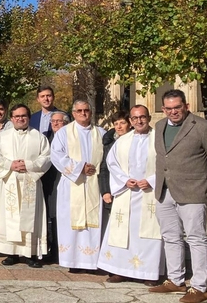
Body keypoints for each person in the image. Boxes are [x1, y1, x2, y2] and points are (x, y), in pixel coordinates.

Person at [149, 89, 207, 303]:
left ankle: (200, 287)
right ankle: (176, 280)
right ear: (163, 109)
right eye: (169, 108)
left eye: (177, 107)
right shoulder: (159, 126)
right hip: (165, 190)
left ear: (186, 106)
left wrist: (201, 181)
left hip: (194, 191)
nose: (173, 112)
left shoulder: (202, 127)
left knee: (196, 238)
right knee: (170, 236)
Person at [97, 105, 163, 284]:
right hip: (127, 192)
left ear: (149, 118)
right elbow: (112, 163)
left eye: (142, 117)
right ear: (131, 121)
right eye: (135, 118)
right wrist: (125, 180)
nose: (139, 121)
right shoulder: (122, 141)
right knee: (123, 232)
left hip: (149, 193)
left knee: (148, 233)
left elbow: (167, 164)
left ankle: (147, 272)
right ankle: (120, 270)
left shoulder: (159, 139)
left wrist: (152, 180)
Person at [0, 104, 52, 267]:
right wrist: (10, 165)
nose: (20, 119)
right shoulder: (3, 137)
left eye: (23, 116)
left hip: (31, 181)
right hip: (10, 181)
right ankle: (11, 253)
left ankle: (30, 254)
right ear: (12, 118)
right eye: (17, 116)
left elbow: (46, 157)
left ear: (28, 117)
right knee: (10, 218)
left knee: (30, 218)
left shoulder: (38, 137)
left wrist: (28, 165)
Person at [50, 100, 106, 272]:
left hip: (94, 184)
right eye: (79, 111)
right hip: (72, 183)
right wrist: (80, 167)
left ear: (91, 112)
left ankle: (92, 262)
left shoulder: (101, 133)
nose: (83, 113)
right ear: (73, 113)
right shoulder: (64, 133)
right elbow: (56, 155)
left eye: (86, 110)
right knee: (71, 223)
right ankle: (73, 261)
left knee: (93, 223)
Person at [99, 110, 131, 240]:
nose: (119, 127)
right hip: (115, 188)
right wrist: (105, 191)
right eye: (116, 123)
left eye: (122, 123)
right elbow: (104, 168)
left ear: (130, 123)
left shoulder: (136, 140)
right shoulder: (109, 143)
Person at [42, 110, 69, 264]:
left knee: (61, 217)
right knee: (50, 216)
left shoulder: (70, 138)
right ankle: (51, 249)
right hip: (49, 183)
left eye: (59, 121)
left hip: (65, 181)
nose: (56, 124)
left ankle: (61, 251)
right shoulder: (47, 139)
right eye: (53, 121)